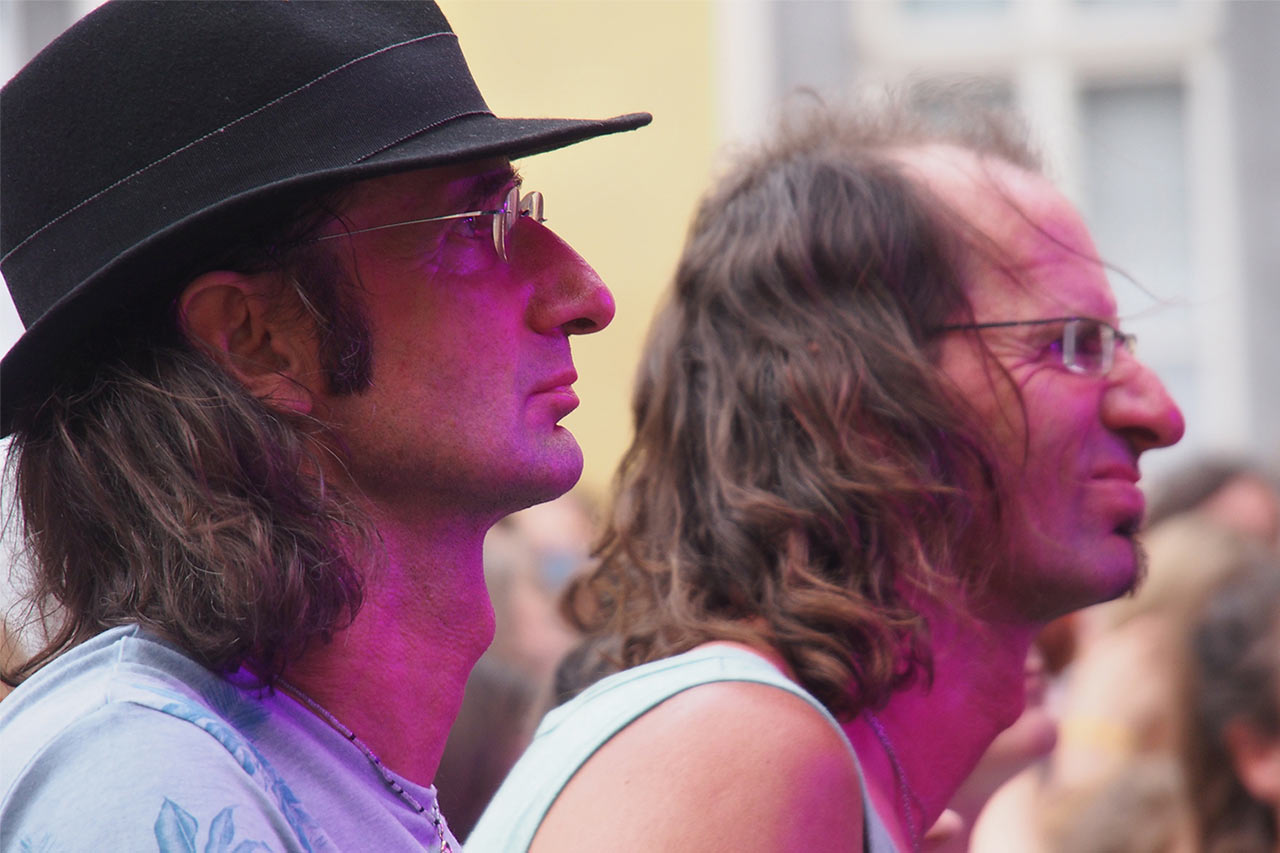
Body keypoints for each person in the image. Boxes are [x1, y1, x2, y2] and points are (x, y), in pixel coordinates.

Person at [0, 2, 648, 851]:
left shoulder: (294, 764)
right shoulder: (145, 774)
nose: (585, 296)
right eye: (475, 225)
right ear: (257, 339)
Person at [467, 97, 1184, 852]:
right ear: (852, 397)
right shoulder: (738, 751)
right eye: (1074, 345)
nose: (1159, 414)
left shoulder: (761, 748)